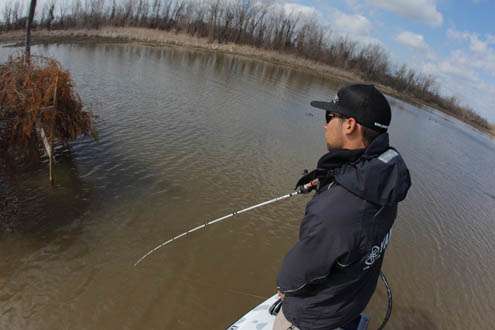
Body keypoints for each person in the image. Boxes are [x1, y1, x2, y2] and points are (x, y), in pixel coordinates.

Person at [273, 84, 411, 330]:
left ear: (349, 125)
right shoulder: (387, 178)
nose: (325, 124)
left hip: (313, 318)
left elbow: (296, 276)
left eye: (330, 117)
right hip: (351, 304)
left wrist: (285, 288)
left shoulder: (332, 213)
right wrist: (331, 181)